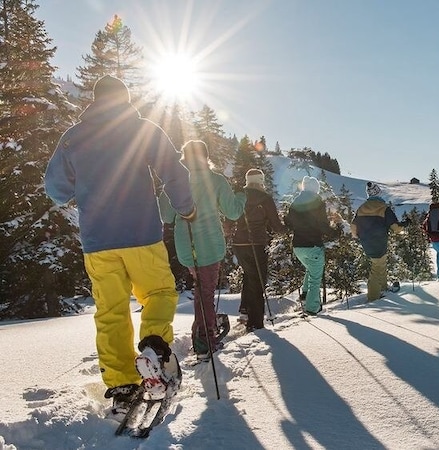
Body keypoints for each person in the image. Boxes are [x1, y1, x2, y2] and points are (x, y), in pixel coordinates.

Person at [43, 75, 193, 418]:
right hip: (141, 233)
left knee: (110, 311)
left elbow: (56, 190)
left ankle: (123, 385)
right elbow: (173, 170)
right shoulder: (144, 129)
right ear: (126, 100)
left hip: (98, 241)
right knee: (158, 293)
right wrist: (186, 207)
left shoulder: (73, 137)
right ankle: (154, 349)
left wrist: (77, 193)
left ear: (95, 101)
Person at [159, 140, 245, 359]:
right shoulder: (216, 180)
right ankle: (205, 340)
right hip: (211, 245)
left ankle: (203, 331)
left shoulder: (174, 182)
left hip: (186, 246)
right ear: (205, 157)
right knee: (205, 291)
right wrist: (243, 196)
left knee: (201, 288)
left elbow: (167, 216)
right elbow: (233, 212)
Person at [229, 168, 285, 330]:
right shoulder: (265, 198)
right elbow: (276, 225)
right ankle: (256, 322)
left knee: (250, 275)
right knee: (258, 280)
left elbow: (230, 215)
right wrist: (288, 227)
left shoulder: (239, 195)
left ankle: (245, 310)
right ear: (261, 181)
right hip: (257, 243)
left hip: (239, 243)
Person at [284, 176, 340, 315]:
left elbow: (288, 222)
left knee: (311, 269)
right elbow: (322, 225)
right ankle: (312, 307)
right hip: (313, 245)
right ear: (315, 189)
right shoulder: (317, 202)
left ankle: (304, 294)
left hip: (298, 246)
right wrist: (336, 232)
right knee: (316, 277)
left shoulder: (295, 201)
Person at [351, 181, 407, 301]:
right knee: (377, 269)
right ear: (379, 194)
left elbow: (353, 226)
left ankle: (383, 288)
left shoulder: (361, 209)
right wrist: (405, 224)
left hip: (366, 243)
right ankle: (373, 298)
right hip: (379, 243)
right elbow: (396, 228)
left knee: (380, 264)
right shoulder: (384, 208)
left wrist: (358, 236)